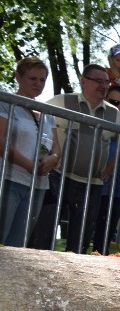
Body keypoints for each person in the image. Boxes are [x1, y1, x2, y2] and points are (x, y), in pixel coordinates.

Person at [30, 64, 120, 253]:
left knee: (80, 245)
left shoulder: (114, 114)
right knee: (42, 238)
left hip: (92, 185)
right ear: (83, 82)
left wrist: (109, 167)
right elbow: (37, 122)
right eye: (98, 81)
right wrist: (45, 156)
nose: (103, 85)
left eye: (106, 82)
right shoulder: (60, 102)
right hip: (56, 178)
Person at [0, 57, 60, 247]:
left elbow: (57, 147)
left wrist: (54, 158)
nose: (38, 84)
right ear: (18, 77)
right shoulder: (6, 102)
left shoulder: (46, 112)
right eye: (33, 78)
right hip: (9, 181)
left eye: (42, 80)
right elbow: (0, 140)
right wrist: (28, 165)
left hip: (38, 186)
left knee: (18, 245)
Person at [93, 86, 120, 254]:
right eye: (113, 102)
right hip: (90, 185)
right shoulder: (93, 118)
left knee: (103, 241)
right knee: (80, 234)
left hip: (116, 191)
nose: (118, 108)